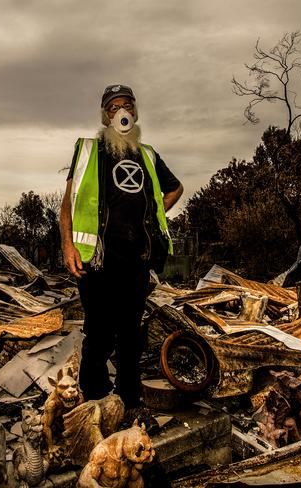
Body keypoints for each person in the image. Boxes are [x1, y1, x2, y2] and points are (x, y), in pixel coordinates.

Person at [60, 84, 183, 409]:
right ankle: (94, 401)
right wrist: (67, 245)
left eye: (126, 105)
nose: (121, 111)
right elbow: (67, 203)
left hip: (136, 260)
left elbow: (175, 189)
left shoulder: (148, 155)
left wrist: (153, 216)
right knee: (99, 334)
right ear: (105, 115)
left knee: (131, 334)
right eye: (114, 107)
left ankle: (129, 400)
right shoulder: (89, 150)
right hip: (97, 260)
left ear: (135, 112)